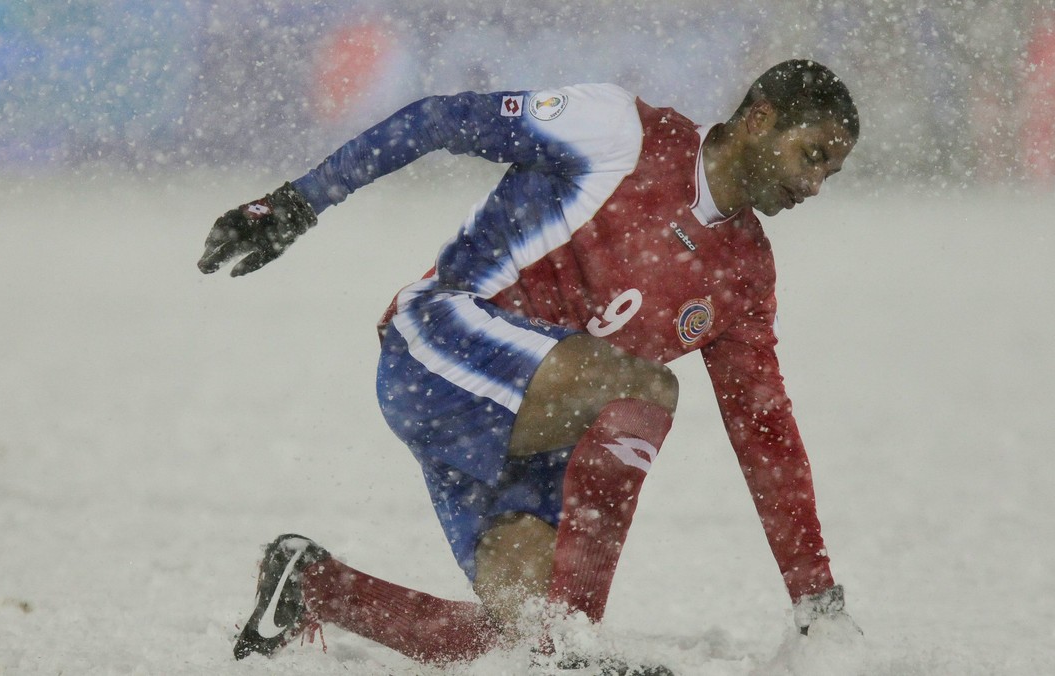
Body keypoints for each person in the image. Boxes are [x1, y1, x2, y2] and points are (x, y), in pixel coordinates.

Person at [198, 59, 861, 673]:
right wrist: (298, 201)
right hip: (437, 346)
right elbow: (439, 119)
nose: (813, 184)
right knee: (648, 391)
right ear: (758, 120)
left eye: (829, 171)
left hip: (530, 434)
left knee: (515, 639)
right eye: (812, 156)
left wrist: (816, 597)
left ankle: (312, 584)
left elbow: (764, 433)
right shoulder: (621, 130)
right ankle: (572, 647)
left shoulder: (745, 272)